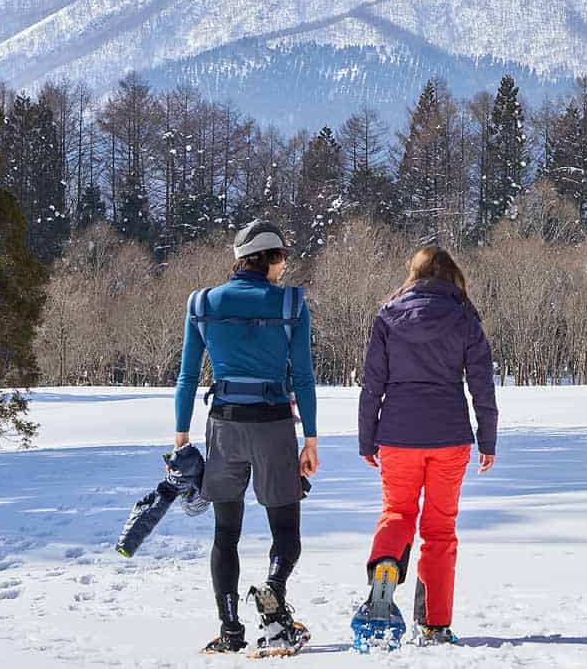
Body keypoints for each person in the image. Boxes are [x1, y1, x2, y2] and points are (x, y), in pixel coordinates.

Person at [174, 219, 319, 656]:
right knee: (286, 528)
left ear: (240, 259)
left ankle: (231, 629)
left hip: (224, 426)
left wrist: (181, 439)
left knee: (226, 533)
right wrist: (310, 440)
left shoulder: (202, 303)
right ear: (272, 258)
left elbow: (185, 377)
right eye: (282, 260)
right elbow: (305, 378)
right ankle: (274, 597)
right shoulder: (291, 304)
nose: (284, 269)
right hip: (273, 424)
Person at [355, 246, 498, 648]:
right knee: (439, 529)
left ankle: (385, 566)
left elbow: (372, 386)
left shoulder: (388, 315)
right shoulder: (464, 316)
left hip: (398, 435)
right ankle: (435, 623)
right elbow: (482, 385)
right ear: (450, 274)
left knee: (397, 513)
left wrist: (367, 438)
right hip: (449, 436)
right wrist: (488, 438)